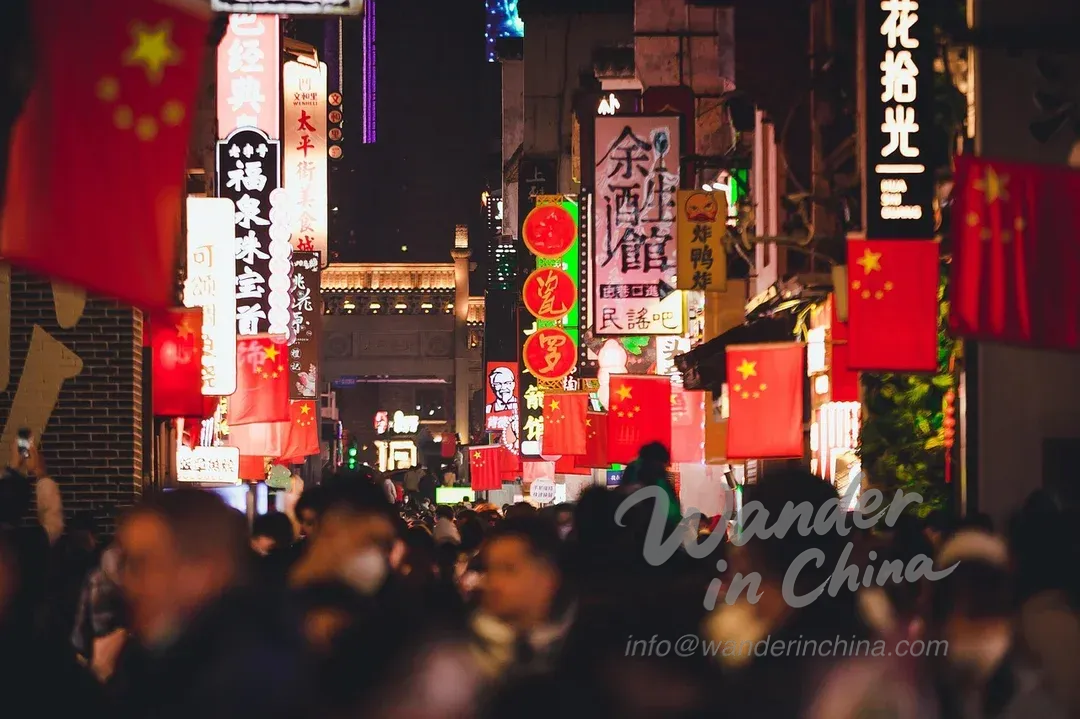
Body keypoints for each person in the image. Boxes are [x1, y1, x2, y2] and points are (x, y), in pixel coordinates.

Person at [108, 489, 309, 719]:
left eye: (140, 564)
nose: (128, 583)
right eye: (123, 564)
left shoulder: (243, 679)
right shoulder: (161, 651)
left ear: (204, 568)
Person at [469, 515, 573, 681]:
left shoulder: (582, 652)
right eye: (489, 570)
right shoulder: (467, 650)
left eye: (508, 569)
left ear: (548, 575)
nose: (493, 583)